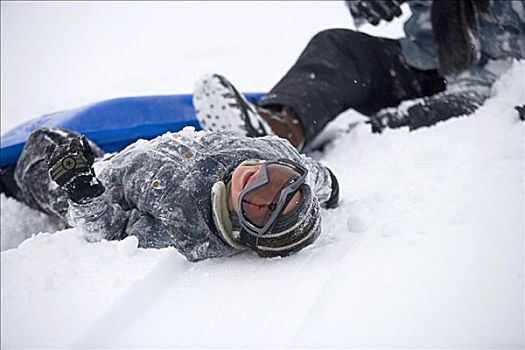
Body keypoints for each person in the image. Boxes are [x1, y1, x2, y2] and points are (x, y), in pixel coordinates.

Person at [192, 0, 524, 151]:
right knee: (336, 46)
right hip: (428, 64)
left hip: (500, 82)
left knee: (436, 116)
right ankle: (276, 131)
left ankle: (379, 129)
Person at [12, 126, 339, 262]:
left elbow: (111, 233)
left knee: (42, 149)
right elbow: (316, 177)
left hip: (99, 180)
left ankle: (15, 183)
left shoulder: (187, 230)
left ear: (241, 228)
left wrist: (82, 191)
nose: (259, 176)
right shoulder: (273, 152)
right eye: (279, 176)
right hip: (141, 152)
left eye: (257, 202)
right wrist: (331, 188)